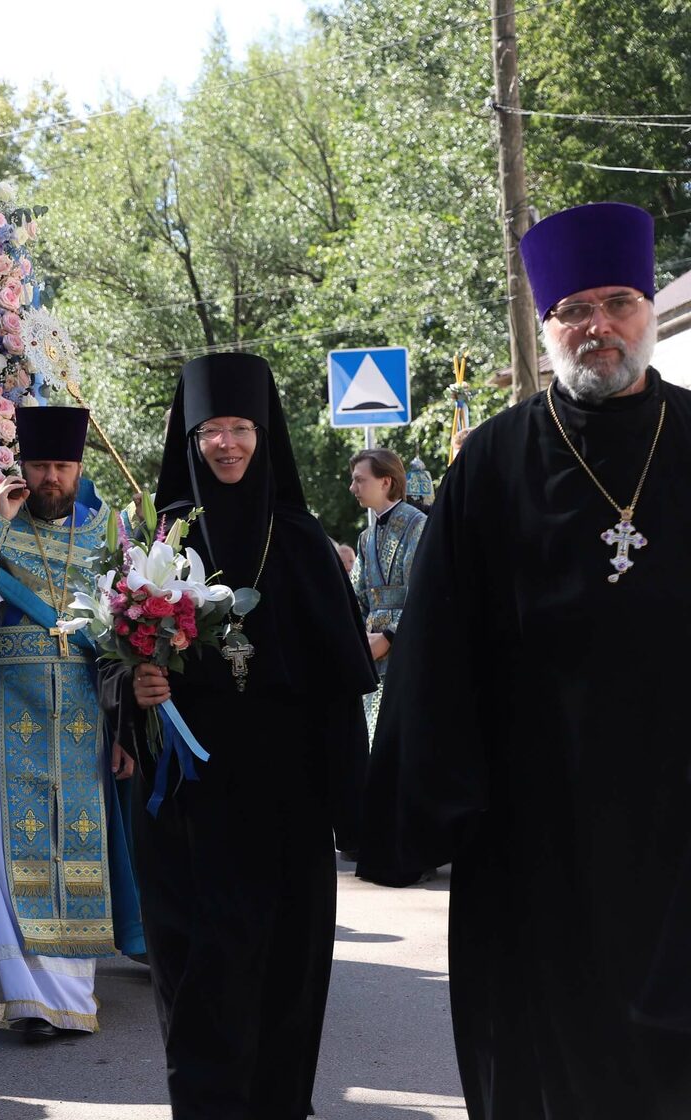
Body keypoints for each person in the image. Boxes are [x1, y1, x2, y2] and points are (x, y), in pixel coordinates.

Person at [358, 201, 691, 1115]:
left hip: (679, 817)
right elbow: (436, 655)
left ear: (649, 310)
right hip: (533, 826)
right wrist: (432, 810)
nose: (598, 326)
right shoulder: (493, 463)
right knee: (542, 1056)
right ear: (547, 329)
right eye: (574, 310)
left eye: (618, 302)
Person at [117, 353, 376, 1118]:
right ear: (189, 438)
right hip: (185, 807)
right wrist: (136, 686)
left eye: (240, 429)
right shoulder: (153, 543)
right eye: (210, 431)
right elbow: (109, 658)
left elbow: (338, 689)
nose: (225, 444)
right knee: (196, 974)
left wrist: (353, 812)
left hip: (285, 806)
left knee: (284, 978)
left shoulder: (300, 541)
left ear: (264, 436)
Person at [0, 405, 145, 1042]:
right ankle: (29, 999)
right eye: (41, 465)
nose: (51, 477)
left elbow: (128, 634)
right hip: (8, 707)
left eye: (62, 466)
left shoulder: (109, 534)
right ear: (22, 467)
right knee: (12, 845)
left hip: (83, 709)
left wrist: (125, 728)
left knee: (79, 844)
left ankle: (73, 995)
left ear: (79, 469)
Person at [346, 448, 426, 743]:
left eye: (359, 480)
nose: (352, 488)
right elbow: (355, 600)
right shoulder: (365, 538)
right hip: (370, 655)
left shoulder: (419, 525)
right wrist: (356, 636)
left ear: (386, 482)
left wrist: (389, 636)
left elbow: (424, 595)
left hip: (407, 649)